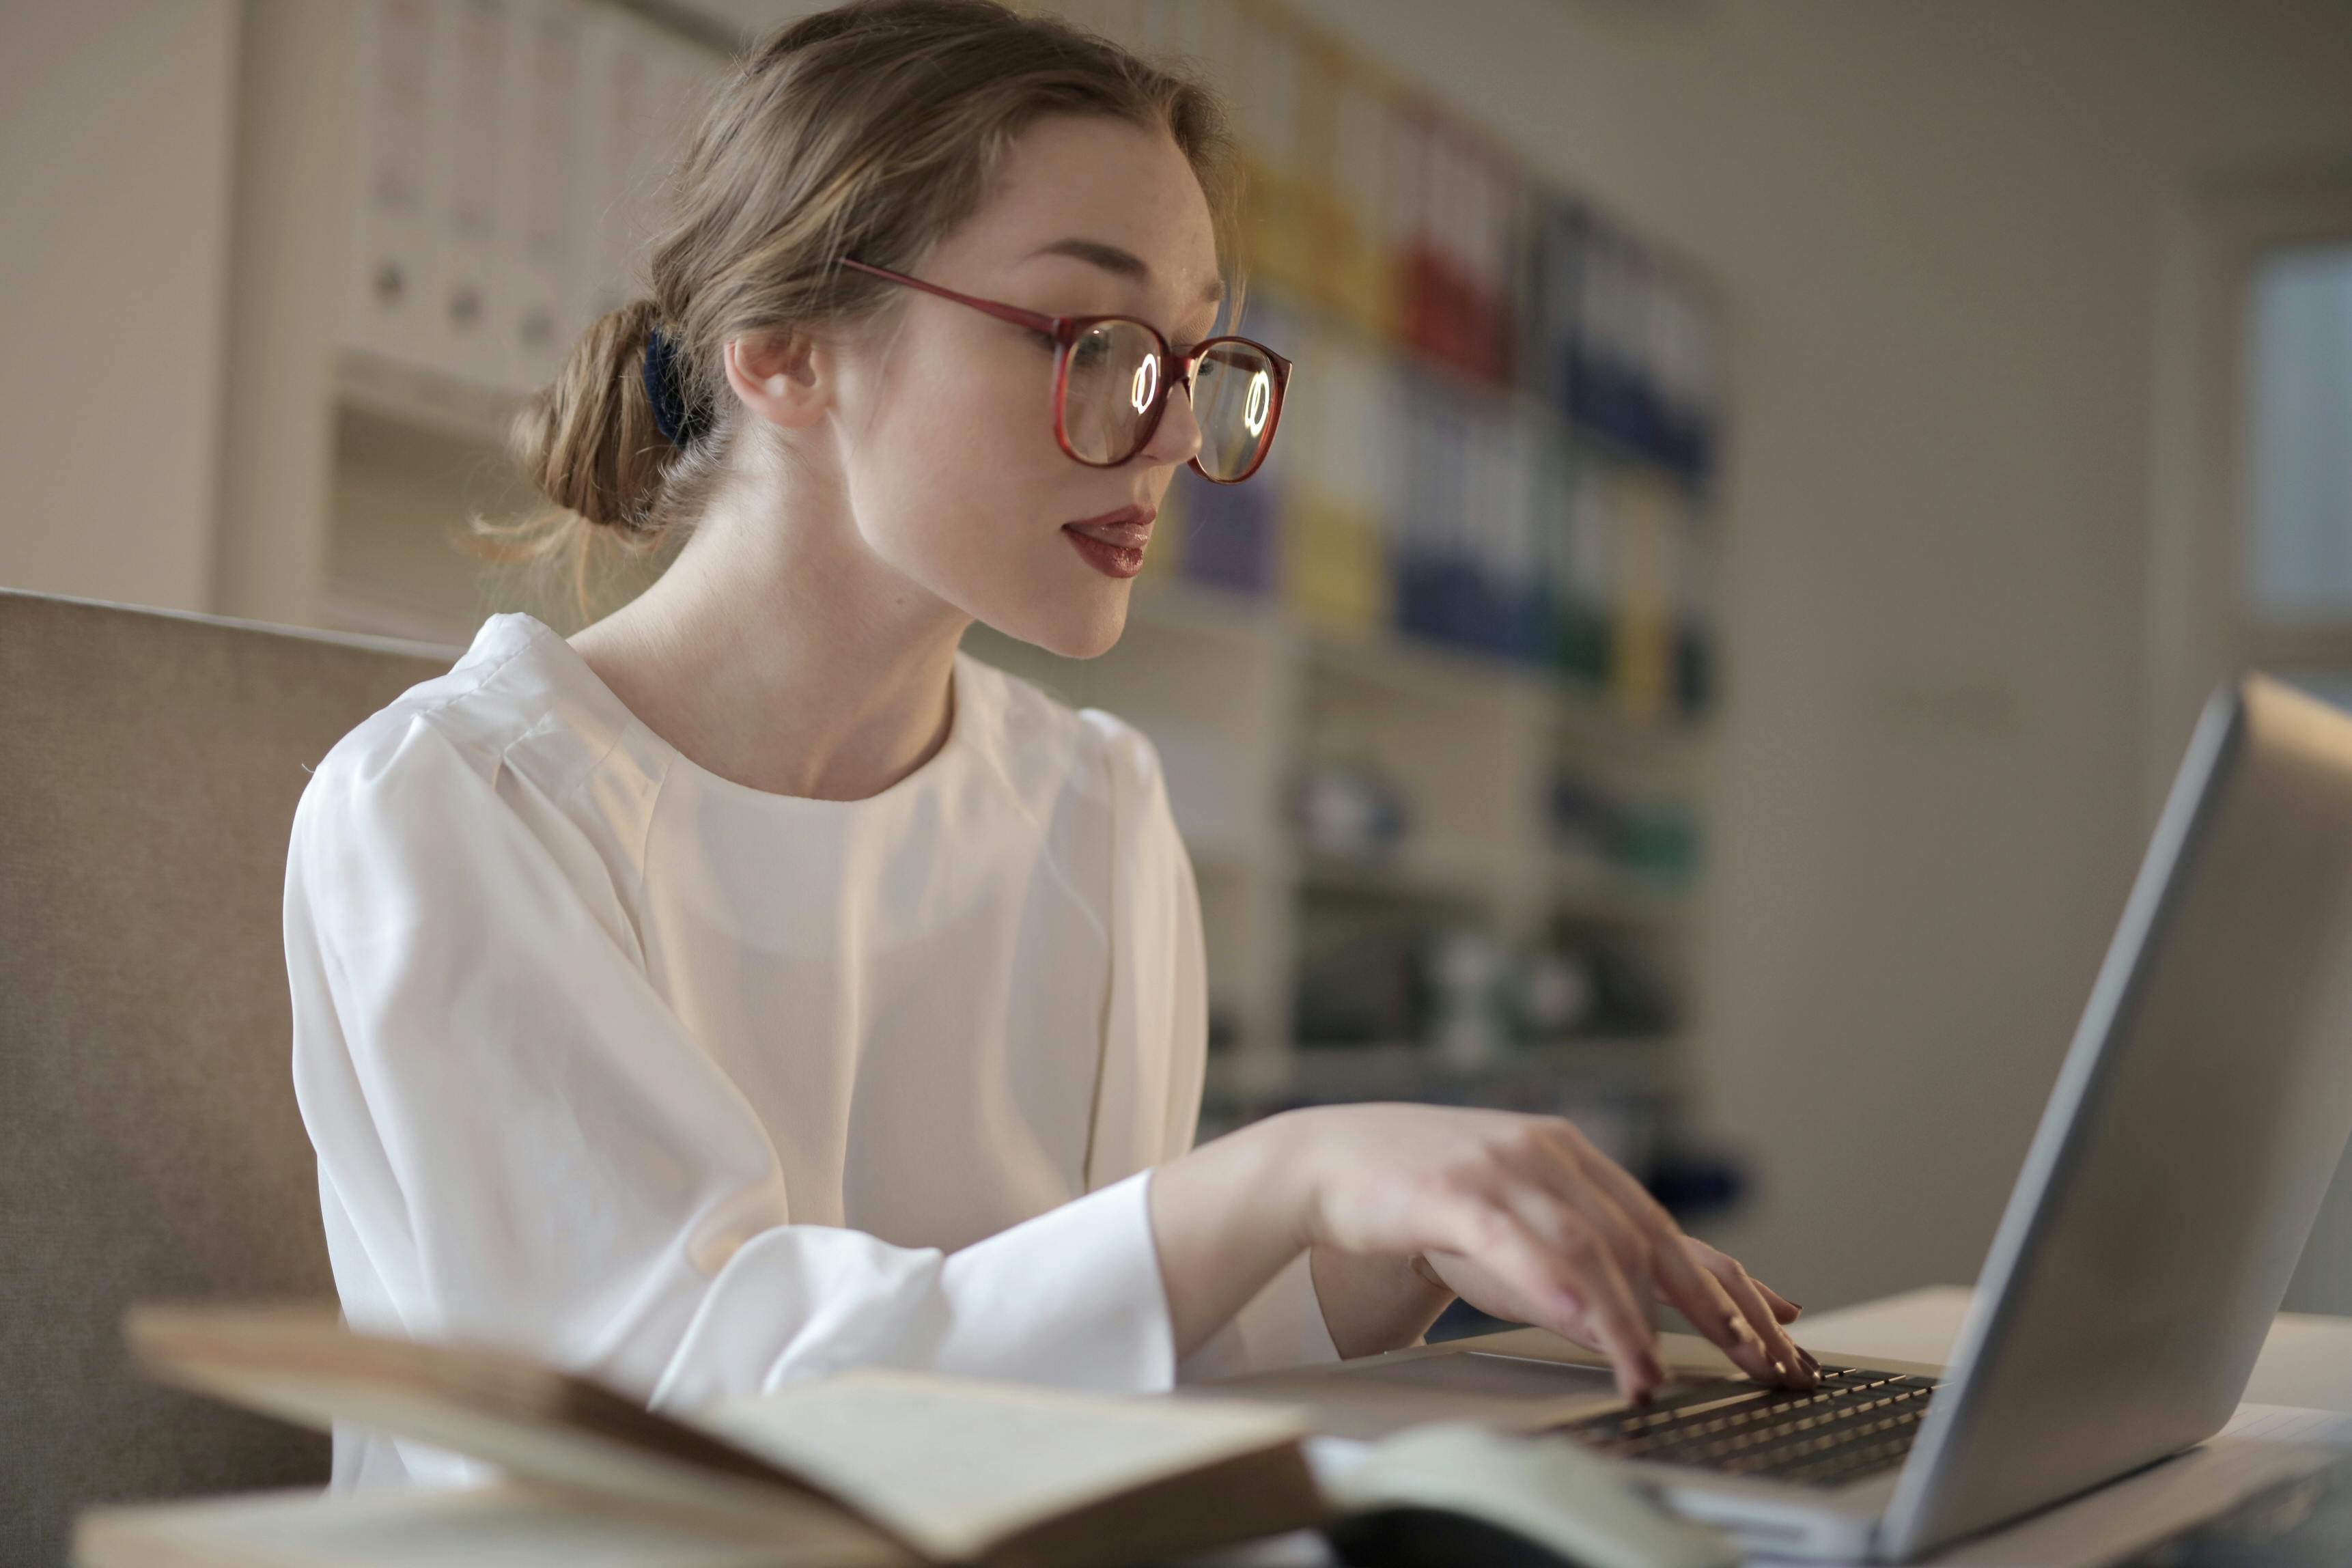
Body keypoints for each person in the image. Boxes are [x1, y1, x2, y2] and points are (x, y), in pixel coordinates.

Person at [285, 0, 1812, 1489]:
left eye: (1194, 358)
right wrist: (1278, 1173)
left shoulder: (1096, 804)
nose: (1165, 437)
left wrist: (1388, 1238)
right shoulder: (456, 805)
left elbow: (1091, 1369)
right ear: (785, 351)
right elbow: (684, 1426)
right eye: (1089, 336)